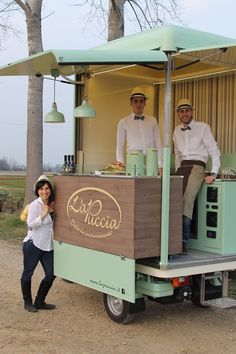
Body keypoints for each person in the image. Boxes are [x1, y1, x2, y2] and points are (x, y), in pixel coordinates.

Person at [173, 98, 221, 253]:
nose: (185, 113)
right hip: (182, 168)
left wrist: (214, 172)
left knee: (187, 201)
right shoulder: (175, 130)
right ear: (178, 113)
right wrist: (176, 171)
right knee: (173, 202)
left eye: (187, 110)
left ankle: (182, 242)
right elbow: (177, 155)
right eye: (181, 111)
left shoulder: (203, 127)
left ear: (192, 111)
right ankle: (172, 240)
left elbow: (213, 150)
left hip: (197, 167)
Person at [20, 175, 56, 312]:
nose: (44, 191)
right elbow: (30, 225)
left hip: (48, 245)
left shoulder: (53, 204)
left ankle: (39, 301)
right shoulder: (35, 205)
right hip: (33, 244)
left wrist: (51, 211)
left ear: (50, 190)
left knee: (52, 273)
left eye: (47, 188)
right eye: (41, 189)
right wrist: (43, 214)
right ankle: (27, 303)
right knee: (28, 273)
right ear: (37, 191)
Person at [116, 86, 163, 175]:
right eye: (135, 101)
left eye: (141, 101)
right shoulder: (123, 122)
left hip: (151, 162)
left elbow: (159, 144)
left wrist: (160, 165)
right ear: (131, 103)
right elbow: (119, 146)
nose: (138, 104)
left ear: (145, 103)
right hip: (133, 162)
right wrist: (121, 167)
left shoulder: (153, 121)